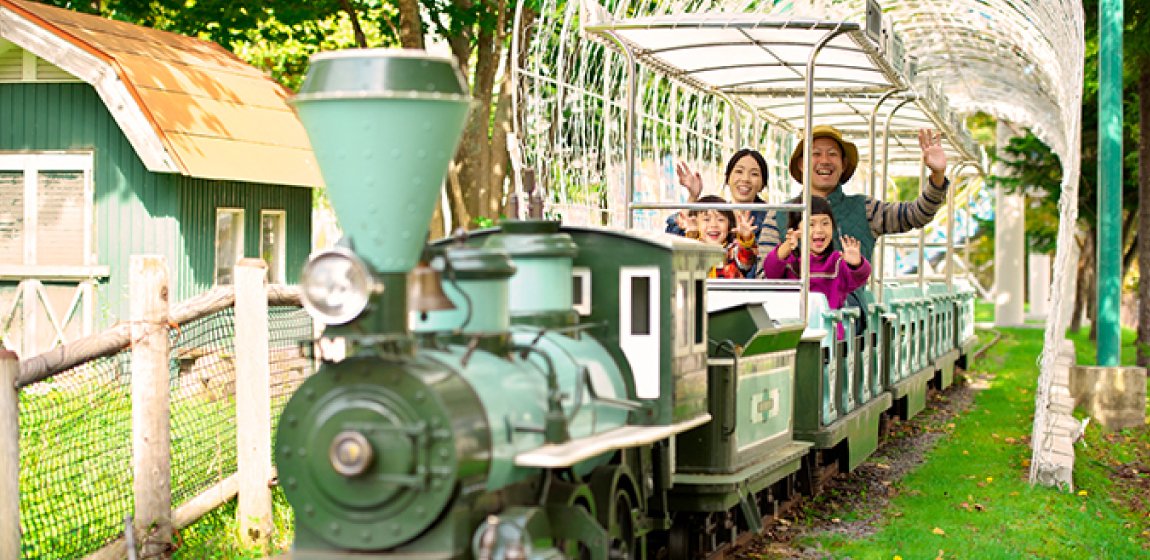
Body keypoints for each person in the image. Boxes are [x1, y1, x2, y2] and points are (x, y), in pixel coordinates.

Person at [758, 125, 950, 264]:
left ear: (843, 164)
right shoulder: (778, 214)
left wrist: (937, 175)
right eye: (815, 154)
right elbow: (764, 273)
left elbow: (916, 215)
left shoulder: (866, 209)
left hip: (850, 315)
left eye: (832, 154)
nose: (824, 161)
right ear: (802, 164)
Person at [760, 196, 870, 338]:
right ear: (796, 230)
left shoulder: (837, 262)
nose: (819, 230)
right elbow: (771, 270)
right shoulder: (791, 262)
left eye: (825, 223)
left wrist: (856, 263)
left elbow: (858, 277)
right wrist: (787, 246)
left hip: (829, 335)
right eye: (811, 224)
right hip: (795, 332)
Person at [665, 148, 770, 239]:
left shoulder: (771, 219)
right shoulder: (715, 211)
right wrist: (693, 196)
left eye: (754, 174)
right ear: (727, 178)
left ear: (763, 184)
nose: (745, 179)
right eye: (739, 171)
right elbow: (672, 236)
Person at [678, 195, 758, 279]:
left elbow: (746, 262)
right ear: (696, 223)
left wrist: (746, 238)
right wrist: (692, 234)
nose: (714, 225)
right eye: (706, 219)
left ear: (729, 225)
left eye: (720, 220)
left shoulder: (732, 251)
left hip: (728, 291)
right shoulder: (691, 249)